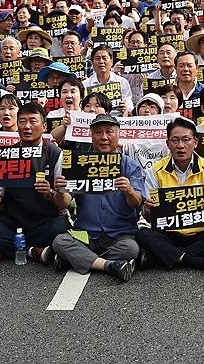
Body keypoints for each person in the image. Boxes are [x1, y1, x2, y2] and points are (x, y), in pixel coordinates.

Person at [0, 101, 71, 263]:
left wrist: (51, 193)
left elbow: (64, 203)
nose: (27, 127)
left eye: (33, 121)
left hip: (44, 221)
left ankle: (7, 248)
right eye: (22, 121)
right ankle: (32, 251)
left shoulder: (56, 154)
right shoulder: (6, 154)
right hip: (14, 220)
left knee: (63, 225)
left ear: (44, 126)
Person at [51, 114, 144, 282]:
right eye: (98, 132)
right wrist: (59, 191)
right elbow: (63, 203)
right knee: (59, 241)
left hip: (120, 235)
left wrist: (129, 191)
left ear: (118, 135)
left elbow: (136, 202)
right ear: (91, 136)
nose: (104, 137)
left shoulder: (130, 165)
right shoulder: (79, 163)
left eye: (109, 132)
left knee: (131, 249)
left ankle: (78, 258)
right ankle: (109, 265)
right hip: (86, 234)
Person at [136, 116, 204, 273]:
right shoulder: (155, 170)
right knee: (142, 235)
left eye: (186, 140)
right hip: (167, 233)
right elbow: (148, 217)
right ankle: (196, 261)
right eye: (175, 140)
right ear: (168, 144)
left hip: (199, 232)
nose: (181, 146)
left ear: (195, 142)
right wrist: (147, 210)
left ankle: (159, 257)